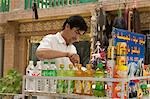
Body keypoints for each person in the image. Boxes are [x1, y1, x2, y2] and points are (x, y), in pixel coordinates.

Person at [36, 15, 87, 99]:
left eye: (80, 35)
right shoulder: (51, 39)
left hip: (65, 93)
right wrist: (66, 54)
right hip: (48, 92)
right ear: (67, 26)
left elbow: (72, 70)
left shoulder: (73, 48)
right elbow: (40, 53)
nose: (77, 38)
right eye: (76, 32)